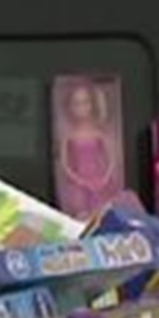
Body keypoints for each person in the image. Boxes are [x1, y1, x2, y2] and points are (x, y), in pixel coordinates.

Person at [55, 77, 123, 220]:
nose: (81, 108)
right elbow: (64, 163)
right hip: (78, 184)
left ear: (92, 105)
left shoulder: (99, 132)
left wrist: (105, 177)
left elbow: (111, 157)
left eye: (85, 103)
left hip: (100, 182)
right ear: (70, 107)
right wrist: (77, 179)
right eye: (76, 104)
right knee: (80, 214)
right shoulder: (69, 135)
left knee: (101, 214)